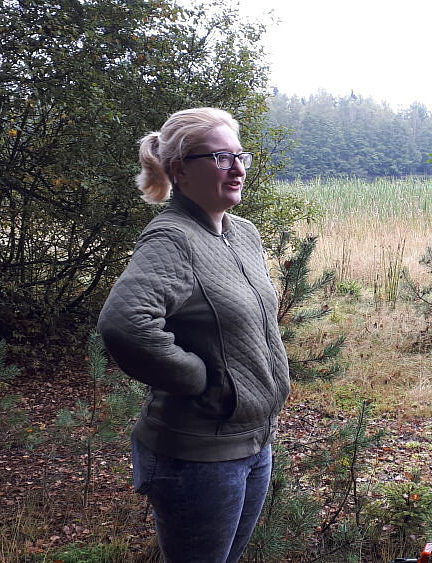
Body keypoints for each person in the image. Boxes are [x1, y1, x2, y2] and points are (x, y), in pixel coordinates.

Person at [97, 107, 289, 562]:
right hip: (198, 455)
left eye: (239, 155)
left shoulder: (242, 233)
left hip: (253, 441)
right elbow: (125, 323)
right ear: (180, 170)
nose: (238, 169)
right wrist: (196, 377)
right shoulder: (172, 238)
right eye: (220, 158)